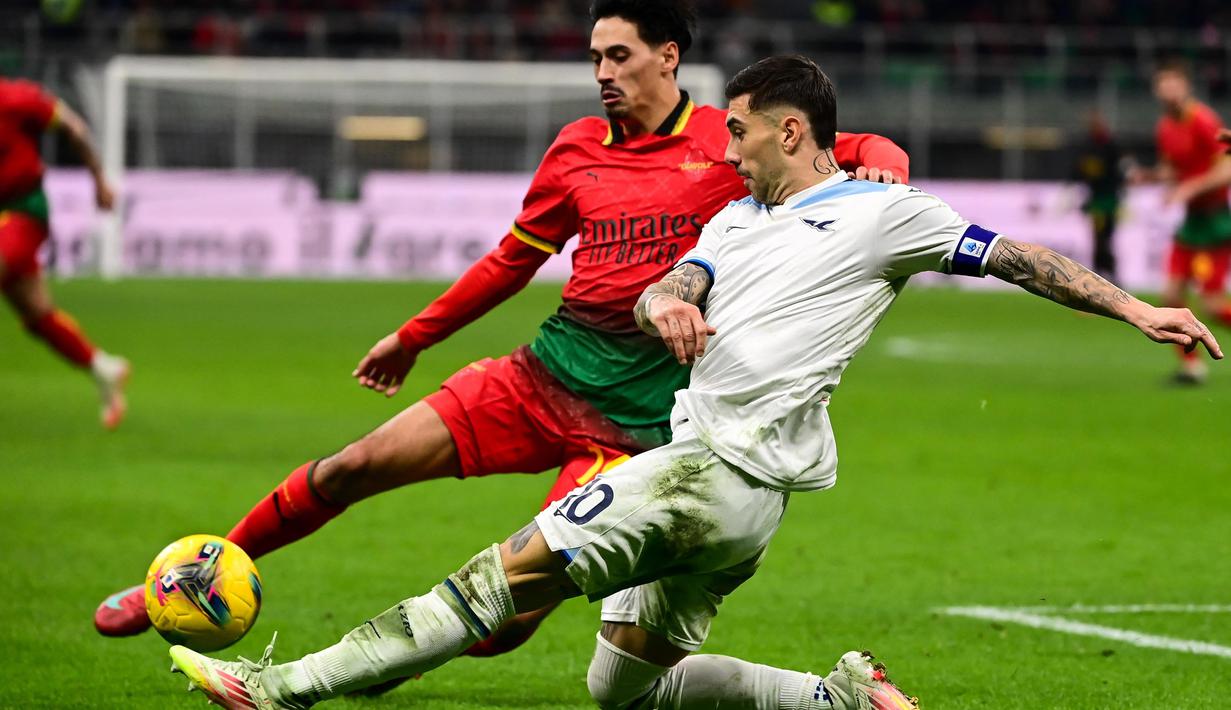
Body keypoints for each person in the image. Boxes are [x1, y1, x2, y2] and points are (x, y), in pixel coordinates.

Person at [166, 55, 1220, 710]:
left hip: (710, 475)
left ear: (790, 130)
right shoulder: (731, 215)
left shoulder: (884, 211)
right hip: (723, 489)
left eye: (742, 126)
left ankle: (282, 686)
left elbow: (1014, 257)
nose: (726, 142)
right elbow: (674, 279)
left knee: (508, 572)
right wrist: (664, 303)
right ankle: (834, 695)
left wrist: (1131, 308)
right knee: (620, 689)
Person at [94, 0, 909, 655]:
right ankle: (189, 578)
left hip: (631, 429)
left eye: (617, 55)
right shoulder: (574, 149)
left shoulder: (726, 139)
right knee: (354, 464)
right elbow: (510, 260)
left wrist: (887, 171)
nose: (601, 73)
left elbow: (859, 142)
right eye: (594, 58)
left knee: (504, 627)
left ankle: (376, 650)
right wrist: (414, 336)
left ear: (667, 56)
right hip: (539, 375)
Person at [0, 78, 129, 428]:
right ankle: (103, 368)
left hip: (22, 209)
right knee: (37, 314)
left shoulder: (17, 98)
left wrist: (99, 180)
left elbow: (73, 128)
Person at [1132, 60, 1231, 384]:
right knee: (1171, 297)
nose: (1168, 90)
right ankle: (1192, 367)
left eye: (1174, 82)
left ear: (1186, 86)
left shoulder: (1203, 120)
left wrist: (1190, 188)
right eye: (1163, 83)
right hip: (1190, 225)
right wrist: (1149, 176)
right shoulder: (1165, 127)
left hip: (1215, 225)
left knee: (1213, 305)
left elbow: (1225, 169)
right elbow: (1173, 169)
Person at [1071, 110, 1125, 279]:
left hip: (1108, 201)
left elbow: (1117, 175)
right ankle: (1104, 273)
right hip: (1097, 201)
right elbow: (1081, 172)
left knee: (1104, 240)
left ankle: (1105, 273)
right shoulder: (1088, 146)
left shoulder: (1110, 145)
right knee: (1100, 240)